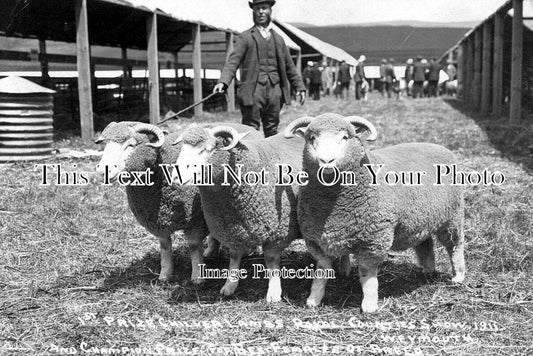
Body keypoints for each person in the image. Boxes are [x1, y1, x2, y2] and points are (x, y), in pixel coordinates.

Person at [213, 0, 306, 137]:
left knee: (272, 129)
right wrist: (223, 81)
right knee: (250, 129)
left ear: (270, 11)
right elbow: (233, 61)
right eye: (257, 8)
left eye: (264, 8)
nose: (261, 11)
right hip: (253, 91)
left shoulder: (279, 39)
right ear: (253, 12)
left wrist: (300, 87)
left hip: (275, 91)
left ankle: (269, 157)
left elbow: (289, 66)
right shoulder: (245, 37)